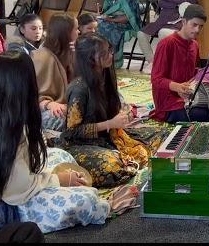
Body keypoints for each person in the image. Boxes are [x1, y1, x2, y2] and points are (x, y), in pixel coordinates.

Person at [0, 51, 109, 234]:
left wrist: (48, 177)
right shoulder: (9, 127)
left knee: (60, 154)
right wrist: (58, 180)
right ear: (26, 84)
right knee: (87, 199)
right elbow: (17, 191)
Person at [58, 33, 153, 187]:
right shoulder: (79, 88)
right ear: (91, 58)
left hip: (106, 136)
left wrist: (123, 112)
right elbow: (72, 132)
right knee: (112, 167)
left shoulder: (106, 76)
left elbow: (113, 109)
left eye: (109, 50)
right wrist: (110, 123)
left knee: (146, 147)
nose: (110, 55)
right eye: (104, 53)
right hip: (80, 144)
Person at [150, 4, 205, 123]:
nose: (197, 30)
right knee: (201, 114)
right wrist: (177, 87)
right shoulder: (166, 44)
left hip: (187, 98)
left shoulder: (194, 45)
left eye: (201, 26)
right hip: (168, 104)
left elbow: (194, 72)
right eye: (194, 25)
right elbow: (156, 79)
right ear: (184, 22)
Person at [137, 0, 198, 74]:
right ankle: (153, 62)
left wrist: (167, 0)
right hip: (161, 21)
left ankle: (161, 63)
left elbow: (166, 0)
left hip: (176, 24)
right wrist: (174, 3)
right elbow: (160, 2)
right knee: (141, 34)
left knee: (163, 32)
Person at [32, 13, 78, 131]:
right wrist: (49, 104)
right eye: (76, 29)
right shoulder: (42, 57)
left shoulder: (70, 51)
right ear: (66, 33)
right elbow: (31, 95)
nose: (79, 32)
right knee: (61, 118)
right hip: (44, 111)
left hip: (66, 105)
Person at [97, 0, 141, 69]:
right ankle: (99, 56)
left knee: (107, 28)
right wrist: (101, 10)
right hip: (110, 20)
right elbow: (106, 11)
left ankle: (111, 58)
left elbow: (129, 17)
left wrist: (111, 19)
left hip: (126, 24)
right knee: (94, 24)